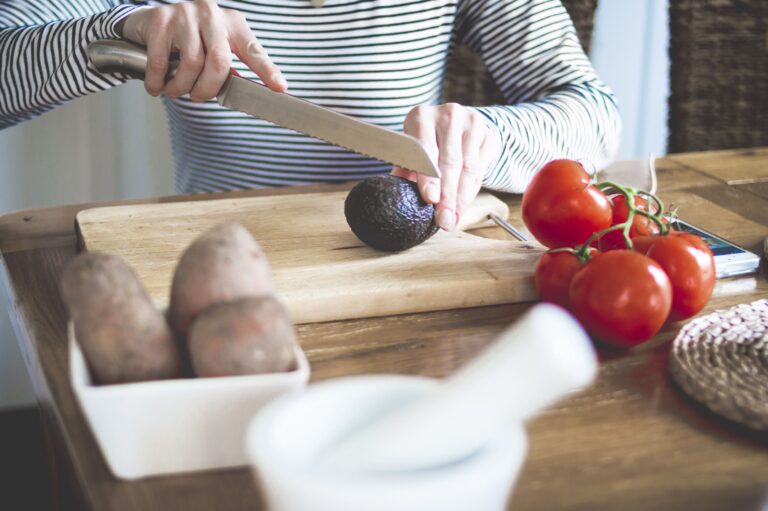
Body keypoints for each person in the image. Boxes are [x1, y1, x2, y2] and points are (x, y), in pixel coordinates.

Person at [0, 0, 620, 232]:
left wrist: (491, 136)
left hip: (398, 276)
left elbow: (596, 116)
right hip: (210, 265)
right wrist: (119, 31)